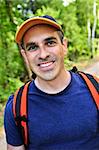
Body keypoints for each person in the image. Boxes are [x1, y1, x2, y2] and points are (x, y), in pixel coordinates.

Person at [4, 15, 99, 150]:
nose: (43, 54)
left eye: (50, 43)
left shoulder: (95, 89)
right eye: (32, 47)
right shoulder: (16, 107)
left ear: (64, 46)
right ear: (25, 56)